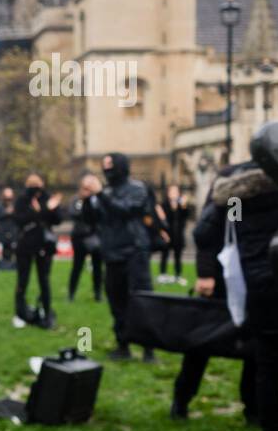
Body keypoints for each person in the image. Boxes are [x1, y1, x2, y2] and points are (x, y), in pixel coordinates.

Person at [190, 158, 278, 431]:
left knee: (267, 366)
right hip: (274, 280)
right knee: (268, 366)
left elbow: (203, 234)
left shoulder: (234, 187)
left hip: (258, 285)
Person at [171, 162, 257, 424]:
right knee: (203, 339)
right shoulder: (233, 179)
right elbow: (207, 231)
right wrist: (206, 272)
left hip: (259, 276)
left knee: (259, 347)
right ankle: (182, 399)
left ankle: (254, 408)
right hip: (224, 273)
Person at [86, 152, 156, 362]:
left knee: (141, 300)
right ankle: (122, 345)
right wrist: (88, 199)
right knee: (116, 301)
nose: (107, 170)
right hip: (112, 254)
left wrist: (100, 195)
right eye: (104, 166)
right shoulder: (104, 193)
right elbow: (92, 219)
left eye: (110, 166)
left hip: (134, 252)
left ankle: (148, 349)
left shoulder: (137, 189)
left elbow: (126, 210)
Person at [11, 173, 62, 329]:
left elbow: (57, 219)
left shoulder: (48, 199)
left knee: (44, 281)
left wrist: (46, 209)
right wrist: (38, 212)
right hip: (26, 245)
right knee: (22, 280)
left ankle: (46, 312)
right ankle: (21, 312)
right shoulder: (22, 200)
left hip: (44, 245)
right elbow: (19, 220)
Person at [68, 173, 103, 302]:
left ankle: (98, 293)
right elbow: (74, 214)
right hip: (80, 238)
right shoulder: (76, 200)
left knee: (98, 267)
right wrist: (84, 201)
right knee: (77, 266)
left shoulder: (98, 200)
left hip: (95, 236)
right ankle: (71, 293)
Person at [158, 184, 191, 284]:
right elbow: (160, 220)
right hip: (167, 234)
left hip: (178, 235)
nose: (174, 194)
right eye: (172, 191)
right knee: (164, 255)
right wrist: (162, 232)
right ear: (168, 193)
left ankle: (178, 275)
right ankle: (163, 274)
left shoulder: (182, 205)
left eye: (176, 192)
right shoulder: (164, 205)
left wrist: (184, 205)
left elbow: (186, 216)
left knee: (178, 256)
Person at [0, 187, 17, 270]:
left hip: (14, 232)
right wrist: (6, 212)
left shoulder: (16, 206)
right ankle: (5, 266)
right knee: (5, 250)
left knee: (15, 250)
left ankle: (14, 266)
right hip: (3, 232)